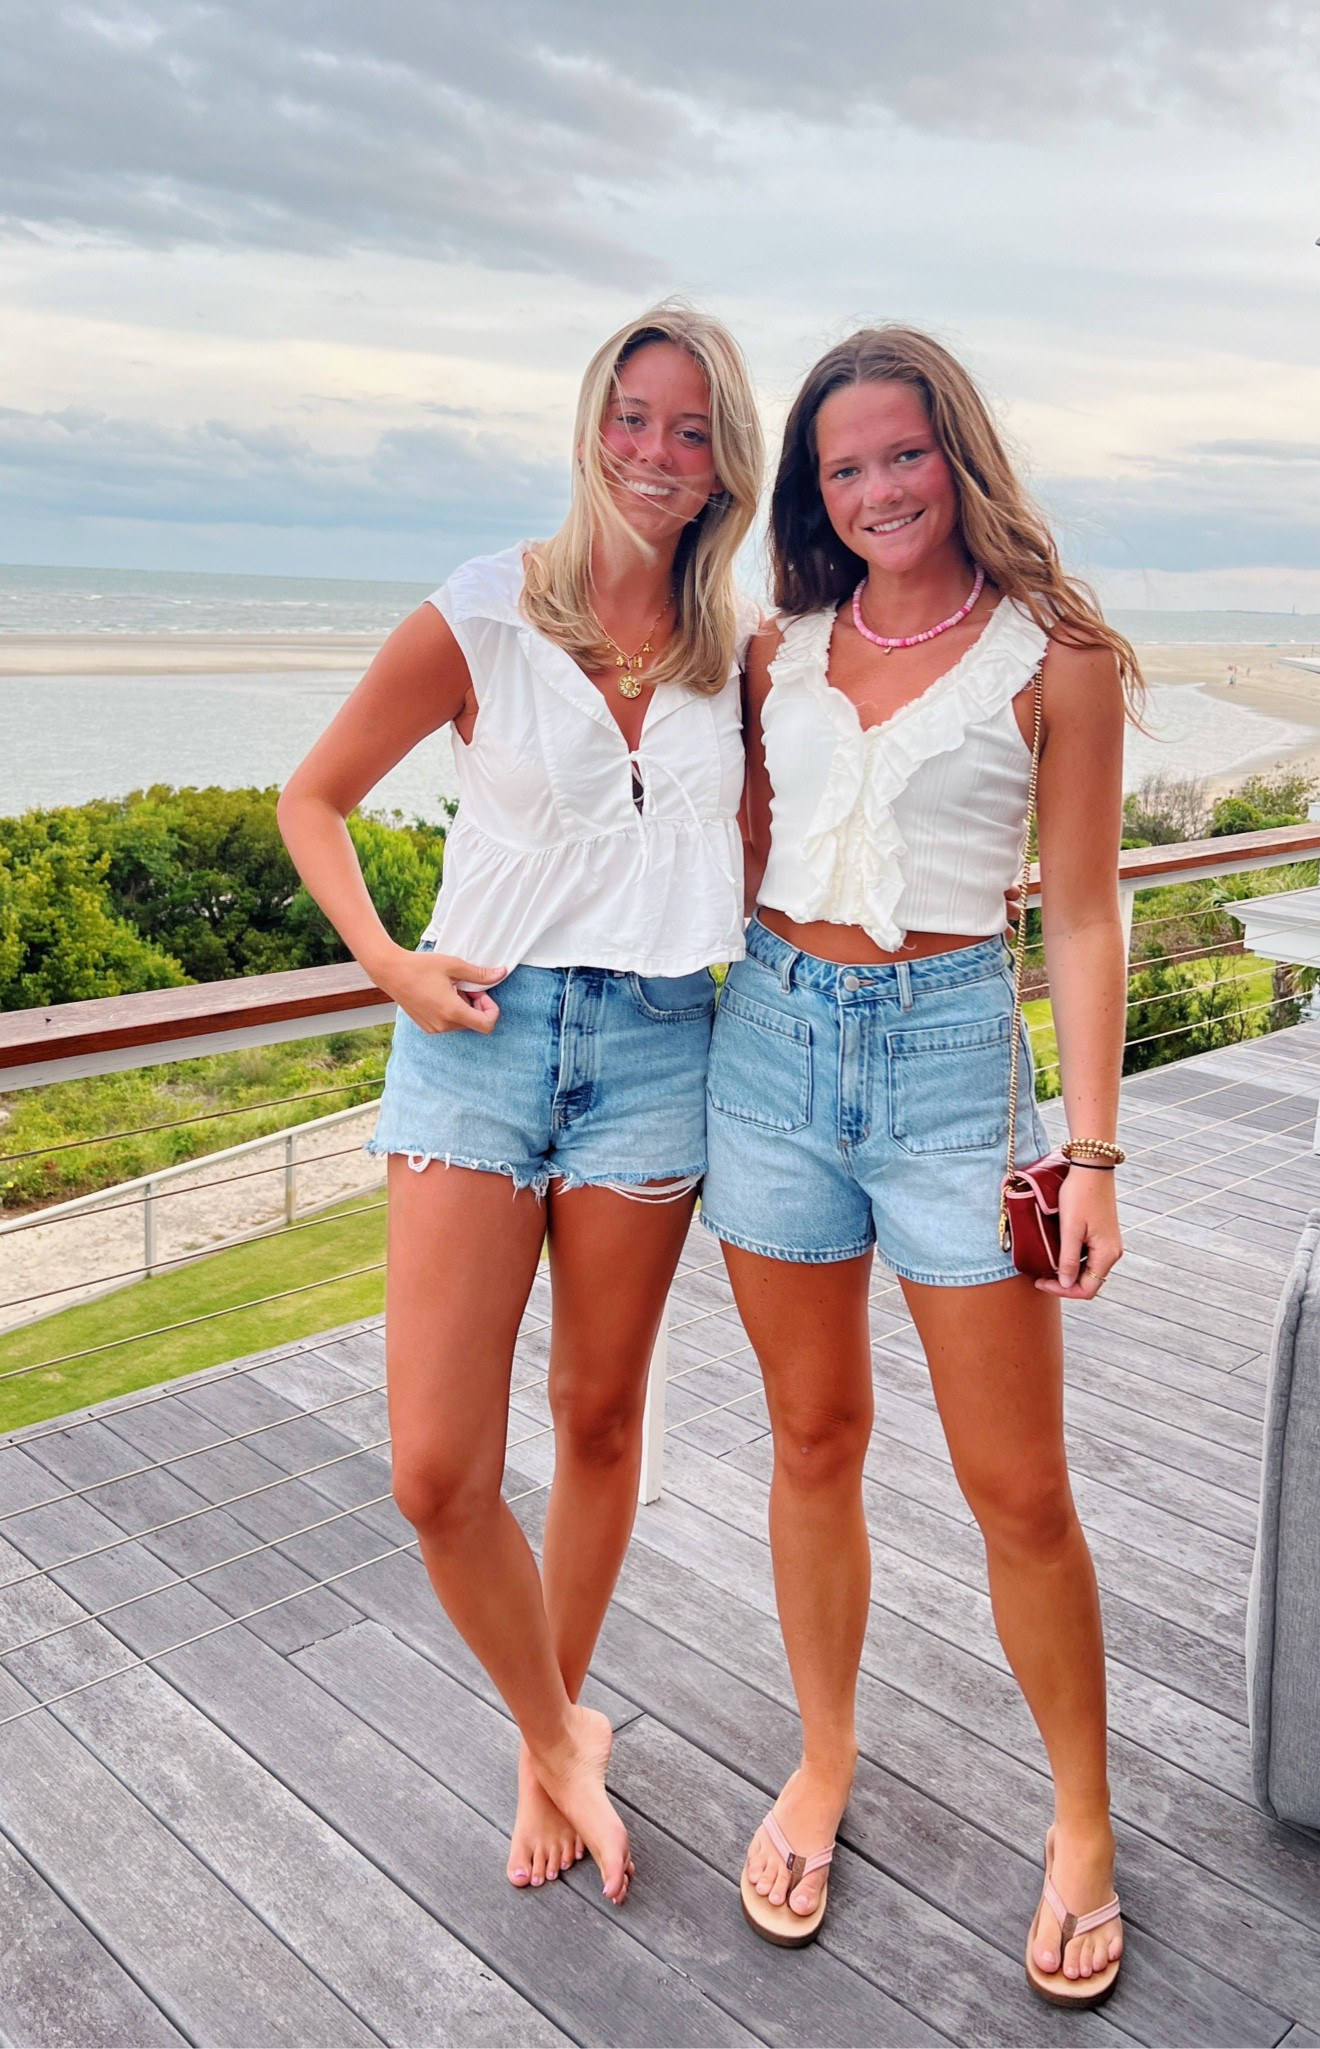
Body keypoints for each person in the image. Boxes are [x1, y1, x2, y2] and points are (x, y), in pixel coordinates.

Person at [278, 305, 762, 1907]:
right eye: (631, 417)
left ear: (725, 463)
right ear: (588, 425)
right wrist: (387, 963)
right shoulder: (486, 608)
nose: (655, 454)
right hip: (479, 1041)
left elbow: (779, 845)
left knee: (598, 1419)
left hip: (660, 1046)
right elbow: (313, 796)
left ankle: (543, 1738)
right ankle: (563, 1731)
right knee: (435, 1469)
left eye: (689, 430)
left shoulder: (735, 651)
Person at [702, 328, 1137, 2006]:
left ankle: (1081, 1819)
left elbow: (1081, 912)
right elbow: (729, 850)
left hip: (955, 1061)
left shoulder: (1056, 656)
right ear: (811, 493)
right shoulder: (775, 652)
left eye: (902, 452)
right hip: (770, 1051)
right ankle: (822, 1760)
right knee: (812, 1438)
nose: (877, 488)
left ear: (955, 453)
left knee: (1015, 1485)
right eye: (843, 467)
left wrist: (1087, 1150)